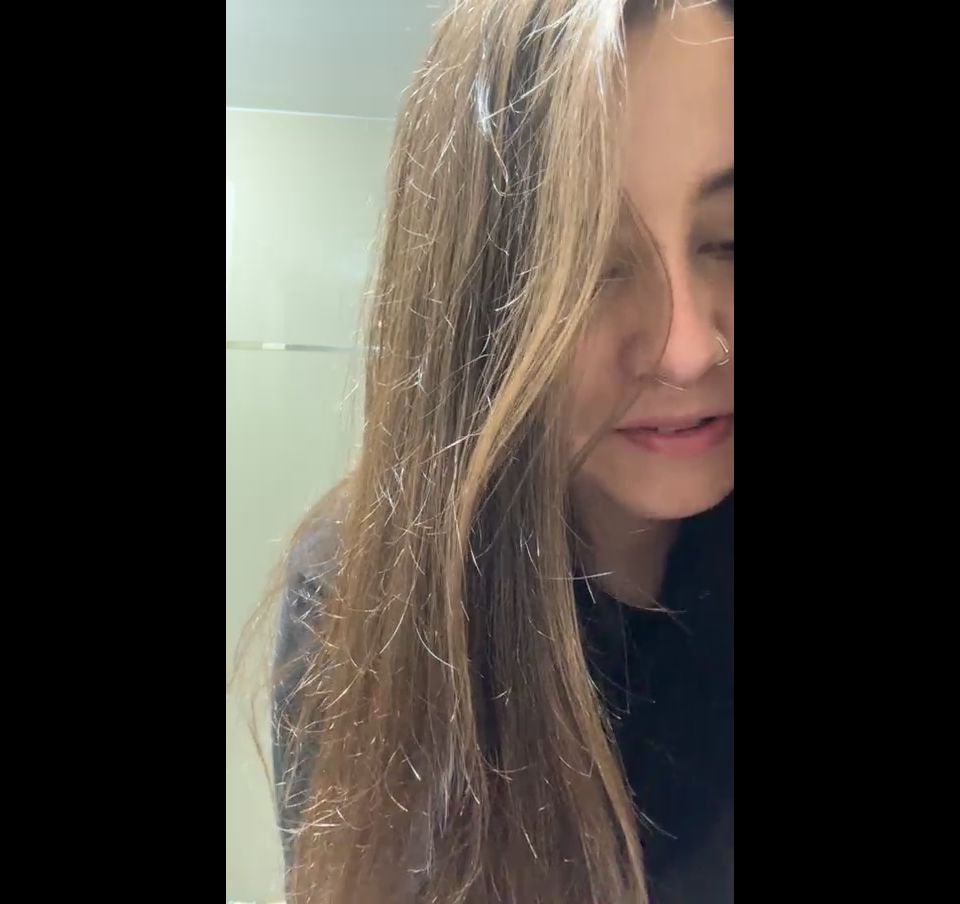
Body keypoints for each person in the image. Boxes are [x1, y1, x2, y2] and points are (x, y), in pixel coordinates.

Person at [271, 1, 733, 901]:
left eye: (729, 241)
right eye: (587, 264)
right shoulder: (359, 593)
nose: (685, 348)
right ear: (477, 304)